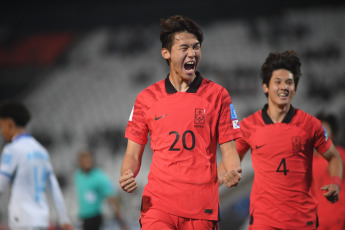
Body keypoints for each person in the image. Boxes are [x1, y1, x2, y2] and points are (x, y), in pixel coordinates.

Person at [118, 15, 242, 230]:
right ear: (166, 53)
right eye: (184, 47)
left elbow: (230, 151)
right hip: (158, 205)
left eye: (196, 47)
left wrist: (231, 172)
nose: (192, 53)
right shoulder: (146, 98)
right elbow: (132, 154)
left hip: (201, 207)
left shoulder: (217, 95)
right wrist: (127, 174)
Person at [218, 50, 343, 229]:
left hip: (302, 222)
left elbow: (333, 157)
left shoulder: (310, 125)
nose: (284, 87)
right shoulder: (248, 126)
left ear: (296, 89)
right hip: (264, 222)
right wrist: (209, 189)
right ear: (265, 87)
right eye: (277, 82)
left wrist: (336, 183)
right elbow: (230, 162)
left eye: (289, 82)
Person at [0, 101, 74, 230]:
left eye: (1, 126)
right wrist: (64, 219)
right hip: (41, 217)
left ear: (9, 124)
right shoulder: (41, 151)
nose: (1, 132)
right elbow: (54, 187)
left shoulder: (12, 149)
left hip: (21, 218)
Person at [74, 151, 128, 230]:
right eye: (84, 159)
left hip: (94, 216)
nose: (87, 162)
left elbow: (111, 196)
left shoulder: (99, 176)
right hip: (83, 217)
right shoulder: (78, 175)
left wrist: (121, 221)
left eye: (88, 159)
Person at [312, 112, 345, 230]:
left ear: (333, 134)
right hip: (317, 221)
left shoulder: (340, 155)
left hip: (338, 219)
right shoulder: (310, 162)